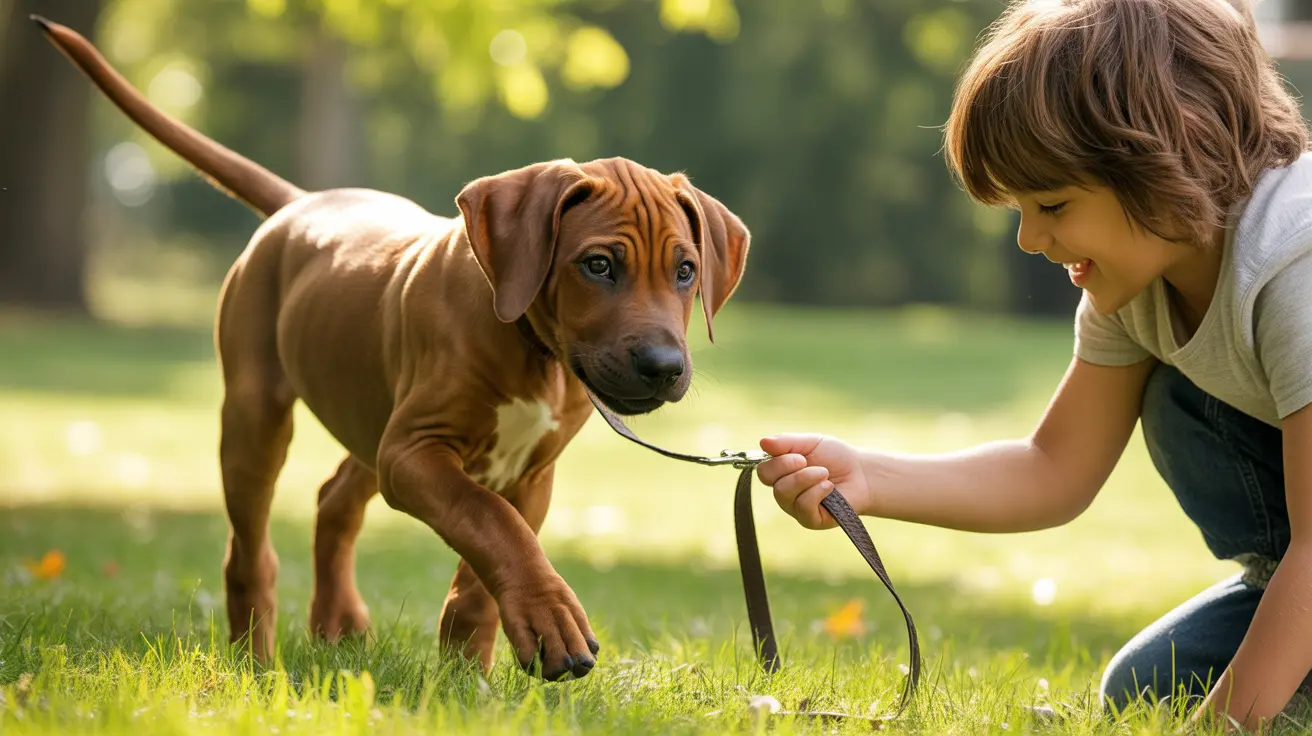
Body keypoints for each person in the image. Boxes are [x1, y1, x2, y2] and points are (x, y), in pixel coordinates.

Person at [753, 0, 1312, 728]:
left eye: (1051, 203)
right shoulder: (1141, 277)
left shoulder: (1292, 260)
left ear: (1176, 153)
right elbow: (1054, 466)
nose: (1028, 239)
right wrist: (866, 478)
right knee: (1143, 688)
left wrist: (1223, 725)